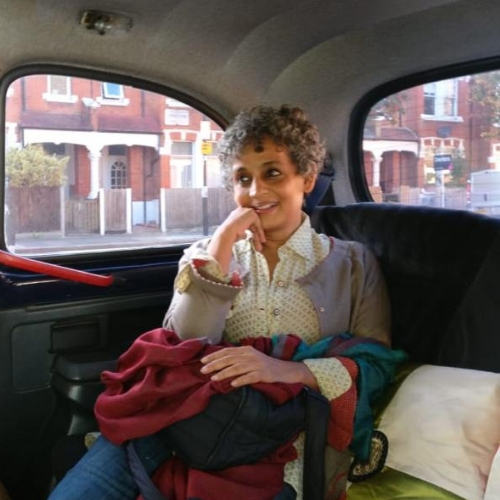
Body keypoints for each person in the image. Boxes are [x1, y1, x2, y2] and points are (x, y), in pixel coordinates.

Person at [48, 105, 392, 500]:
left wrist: (285, 370)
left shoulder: (353, 263)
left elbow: (375, 366)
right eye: (242, 178)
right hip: (178, 422)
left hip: (280, 443)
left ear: (308, 178)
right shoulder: (204, 256)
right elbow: (181, 344)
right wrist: (224, 242)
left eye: (272, 173)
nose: (256, 191)